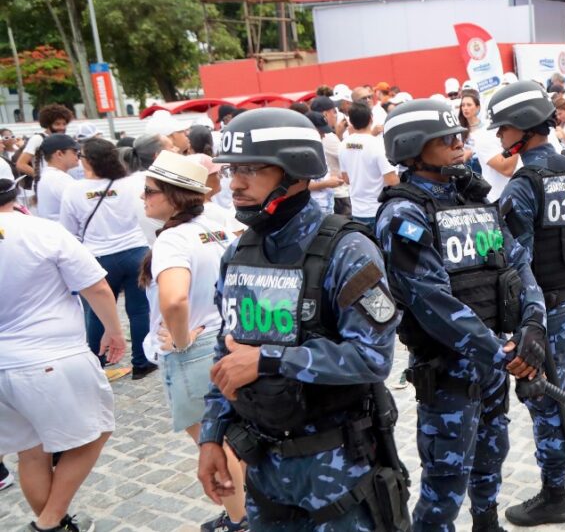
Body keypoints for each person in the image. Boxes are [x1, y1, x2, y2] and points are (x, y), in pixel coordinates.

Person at [198, 108, 410, 531]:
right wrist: (211, 435)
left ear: (295, 171)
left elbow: (372, 358)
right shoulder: (238, 254)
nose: (235, 183)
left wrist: (269, 360)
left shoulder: (347, 251)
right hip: (263, 470)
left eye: (252, 169)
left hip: (338, 471)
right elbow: (227, 352)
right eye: (231, 171)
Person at [375, 98, 544, 531]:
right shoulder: (404, 214)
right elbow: (433, 303)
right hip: (449, 371)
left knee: (492, 453)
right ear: (413, 148)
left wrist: (532, 324)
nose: (459, 144)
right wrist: (505, 353)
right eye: (446, 139)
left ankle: (487, 523)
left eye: (460, 136)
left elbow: (517, 262)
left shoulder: (471, 198)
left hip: (494, 361)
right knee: (445, 480)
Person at [487, 81, 565, 525]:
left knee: (545, 402)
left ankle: (554, 496)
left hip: (545, 312)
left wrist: (529, 318)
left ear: (519, 130)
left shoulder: (522, 187)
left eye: (502, 129)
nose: (499, 139)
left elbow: (516, 265)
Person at [0, 177, 126, 532]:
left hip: (7, 361)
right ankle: (50, 522)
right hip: (50, 355)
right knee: (96, 431)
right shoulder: (41, 230)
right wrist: (114, 332)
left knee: (31, 449)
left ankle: (54, 523)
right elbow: (97, 286)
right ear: (15, 191)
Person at [136, 152, 248, 531]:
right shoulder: (221, 220)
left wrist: (181, 339)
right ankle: (245, 508)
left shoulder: (173, 238)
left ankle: (240, 519)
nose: (143, 198)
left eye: (149, 191)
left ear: (173, 195)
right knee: (236, 437)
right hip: (235, 336)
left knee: (215, 442)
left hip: (197, 349)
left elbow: (174, 299)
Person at [58, 138, 154, 381]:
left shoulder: (74, 190)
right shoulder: (133, 183)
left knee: (98, 312)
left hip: (98, 257)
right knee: (139, 309)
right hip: (135, 250)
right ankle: (142, 362)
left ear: (87, 161)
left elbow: (68, 230)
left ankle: (96, 365)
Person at [338, 102, 398, 227]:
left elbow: (346, 179)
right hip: (379, 210)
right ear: (371, 118)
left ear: (351, 121)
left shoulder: (344, 144)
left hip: (357, 211)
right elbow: (392, 181)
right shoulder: (378, 145)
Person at [467, 90, 520, 201]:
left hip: (523, 195)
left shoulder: (522, 129)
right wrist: (520, 142)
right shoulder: (484, 136)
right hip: (500, 200)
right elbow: (506, 169)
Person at [310, 96, 352, 216]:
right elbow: (348, 156)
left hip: (331, 198)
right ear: (325, 114)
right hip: (338, 195)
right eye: (334, 111)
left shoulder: (323, 138)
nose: (336, 115)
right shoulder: (327, 137)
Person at [14, 104, 73, 179]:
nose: (62, 127)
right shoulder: (38, 138)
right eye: (57, 124)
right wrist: (42, 178)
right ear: (48, 124)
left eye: (64, 124)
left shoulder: (64, 139)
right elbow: (21, 164)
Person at [32, 134, 80, 221]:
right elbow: (82, 206)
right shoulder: (58, 179)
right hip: (64, 231)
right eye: (74, 152)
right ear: (59, 154)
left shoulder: (51, 175)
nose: (77, 156)